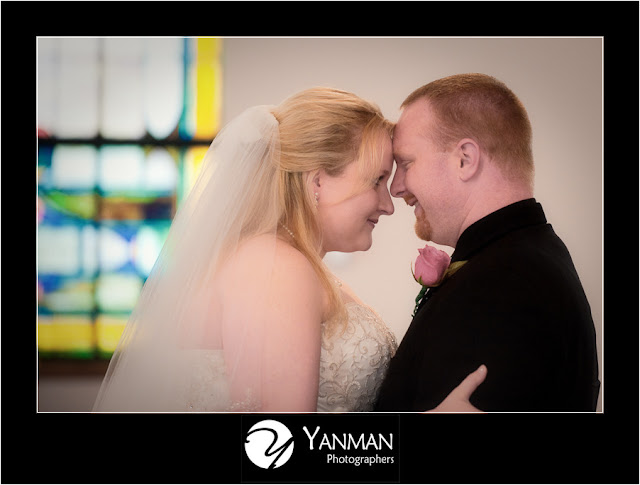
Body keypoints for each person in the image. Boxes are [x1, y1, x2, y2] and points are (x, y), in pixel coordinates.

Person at [93, 87, 484, 413]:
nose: (388, 202)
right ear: (317, 182)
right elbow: (277, 450)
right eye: (377, 180)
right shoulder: (275, 267)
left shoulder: (290, 264)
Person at [375, 73, 600, 412]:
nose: (397, 187)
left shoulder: (502, 286)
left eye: (406, 163)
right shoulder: (532, 254)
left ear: (465, 159)